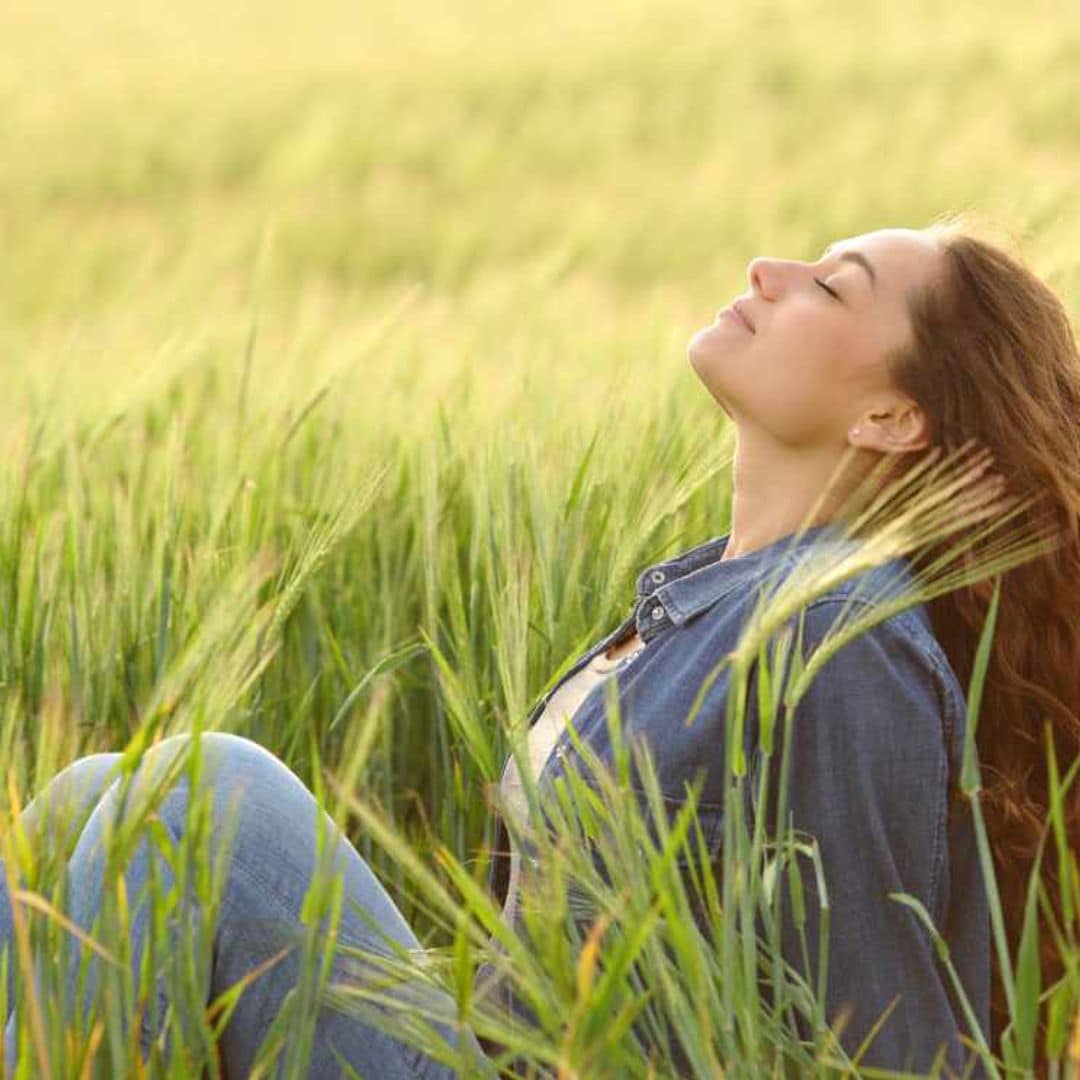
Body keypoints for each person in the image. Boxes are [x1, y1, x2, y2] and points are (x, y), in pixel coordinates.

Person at [2, 216, 1077, 1076]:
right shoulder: (712, 595)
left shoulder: (841, 641)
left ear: (891, 419)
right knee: (85, 802)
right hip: (503, 1043)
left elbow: (872, 1032)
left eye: (832, 287)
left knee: (205, 797)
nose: (770, 269)